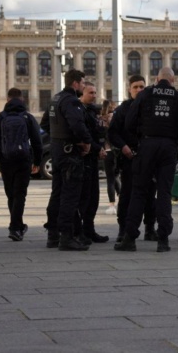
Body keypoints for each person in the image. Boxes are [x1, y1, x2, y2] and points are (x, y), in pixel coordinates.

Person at [115, 67, 178, 252]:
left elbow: (129, 123)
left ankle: (129, 238)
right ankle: (163, 240)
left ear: (156, 79)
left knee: (138, 192)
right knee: (164, 193)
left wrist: (141, 136)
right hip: (169, 148)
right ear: (173, 80)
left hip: (147, 146)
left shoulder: (145, 95)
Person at [40, 69, 92, 251]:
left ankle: (52, 235)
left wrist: (58, 137)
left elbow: (44, 124)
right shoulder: (71, 101)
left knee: (57, 193)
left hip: (57, 151)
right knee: (70, 196)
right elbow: (77, 124)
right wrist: (85, 142)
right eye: (83, 83)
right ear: (76, 83)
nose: (84, 86)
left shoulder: (56, 98)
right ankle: (66, 237)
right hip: (70, 154)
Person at [0, 88, 42, 241]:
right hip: (24, 159)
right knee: (20, 194)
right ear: (22, 99)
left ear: (8, 100)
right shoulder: (28, 117)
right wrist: (37, 161)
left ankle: (16, 226)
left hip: (6, 159)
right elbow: (37, 142)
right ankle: (16, 227)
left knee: (11, 194)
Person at [107, 75, 157, 243]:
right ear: (129, 89)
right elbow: (113, 132)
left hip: (149, 159)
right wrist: (123, 147)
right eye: (135, 87)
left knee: (150, 195)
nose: (139, 90)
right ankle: (124, 229)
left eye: (142, 87)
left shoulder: (152, 107)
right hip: (129, 158)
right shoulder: (123, 109)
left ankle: (150, 228)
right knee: (127, 194)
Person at [75, 82, 109, 244]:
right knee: (85, 197)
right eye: (91, 93)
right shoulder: (79, 110)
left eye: (95, 92)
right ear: (82, 93)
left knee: (94, 197)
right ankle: (81, 231)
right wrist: (98, 149)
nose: (94, 95)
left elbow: (97, 133)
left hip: (93, 158)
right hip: (84, 158)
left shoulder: (93, 112)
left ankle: (89, 229)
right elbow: (85, 135)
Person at [101, 100, 120, 215]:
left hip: (106, 150)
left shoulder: (101, 120)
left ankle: (112, 205)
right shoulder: (117, 118)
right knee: (116, 176)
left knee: (110, 179)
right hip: (117, 150)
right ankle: (123, 198)